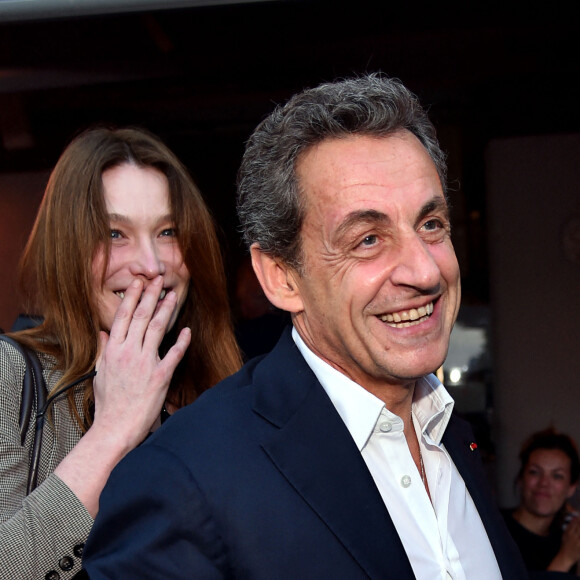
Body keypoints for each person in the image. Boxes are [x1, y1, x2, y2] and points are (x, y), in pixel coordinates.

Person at [82, 74, 528, 579]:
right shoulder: (185, 479)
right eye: (367, 240)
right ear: (281, 278)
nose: (425, 272)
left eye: (431, 225)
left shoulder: (452, 439)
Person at [0, 126, 241, 579]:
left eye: (168, 231)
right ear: (66, 247)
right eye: (115, 234)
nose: (151, 265)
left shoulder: (220, 388)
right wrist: (113, 430)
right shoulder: (9, 374)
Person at [503, 428, 580, 575]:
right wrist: (565, 559)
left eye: (557, 476)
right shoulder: (495, 528)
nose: (544, 483)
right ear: (521, 478)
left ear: (571, 487)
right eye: (535, 472)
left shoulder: (568, 538)